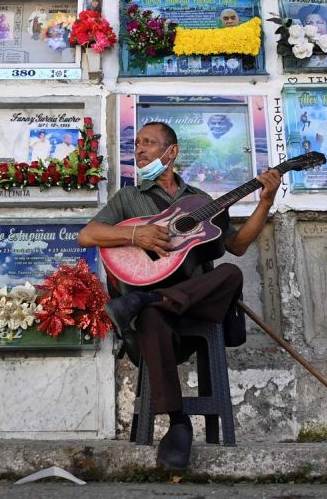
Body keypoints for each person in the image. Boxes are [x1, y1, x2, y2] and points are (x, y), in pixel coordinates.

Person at [77, 122, 281, 471]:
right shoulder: (129, 198)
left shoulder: (201, 200)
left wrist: (265, 201)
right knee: (153, 316)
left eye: (149, 143)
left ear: (171, 153)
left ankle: (148, 300)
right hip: (158, 320)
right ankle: (178, 423)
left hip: (197, 307)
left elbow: (237, 245)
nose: (139, 150)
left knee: (230, 273)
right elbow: (87, 235)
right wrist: (136, 235)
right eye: (137, 143)